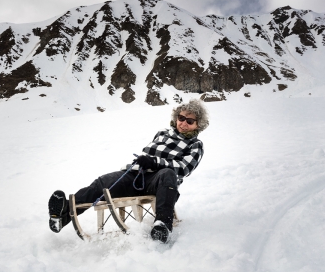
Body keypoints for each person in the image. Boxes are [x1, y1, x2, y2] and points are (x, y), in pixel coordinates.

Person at [48, 98, 209, 243]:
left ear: (198, 125)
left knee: (168, 173)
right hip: (137, 175)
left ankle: (162, 225)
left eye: (190, 121)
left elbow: (183, 168)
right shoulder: (162, 134)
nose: (183, 123)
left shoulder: (195, 145)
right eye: (181, 118)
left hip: (160, 182)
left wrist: (154, 161)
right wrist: (142, 161)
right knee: (103, 183)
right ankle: (65, 212)